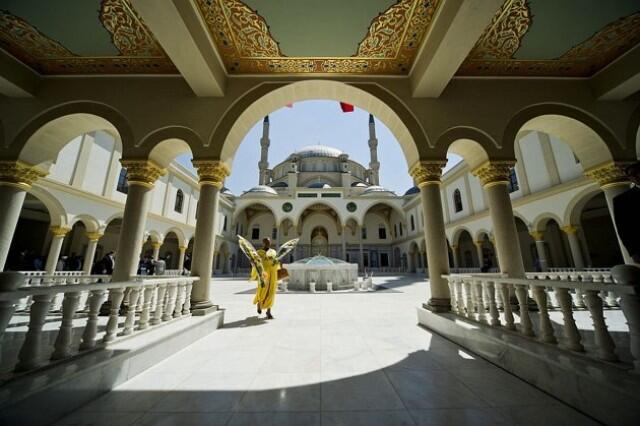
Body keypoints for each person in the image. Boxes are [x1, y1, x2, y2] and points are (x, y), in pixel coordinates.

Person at [613, 162, 640, 264]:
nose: (635, 176)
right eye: (631, 175)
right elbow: (624, 229)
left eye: (637, 173)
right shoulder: (622, 200)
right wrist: (633, 252)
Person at [250, 237, 280, 320]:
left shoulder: (273, 252)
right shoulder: (259, 252)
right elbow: (255, 263)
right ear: (263, 243)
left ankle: (268, 312)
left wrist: (276, 263)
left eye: (269, 242)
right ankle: (259, 304)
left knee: (271, 293)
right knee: (262, 291)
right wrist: (253, 262)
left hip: (272, 276)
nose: (268, 244)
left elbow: (277, 262)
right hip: (263, 275)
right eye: (266, 242)